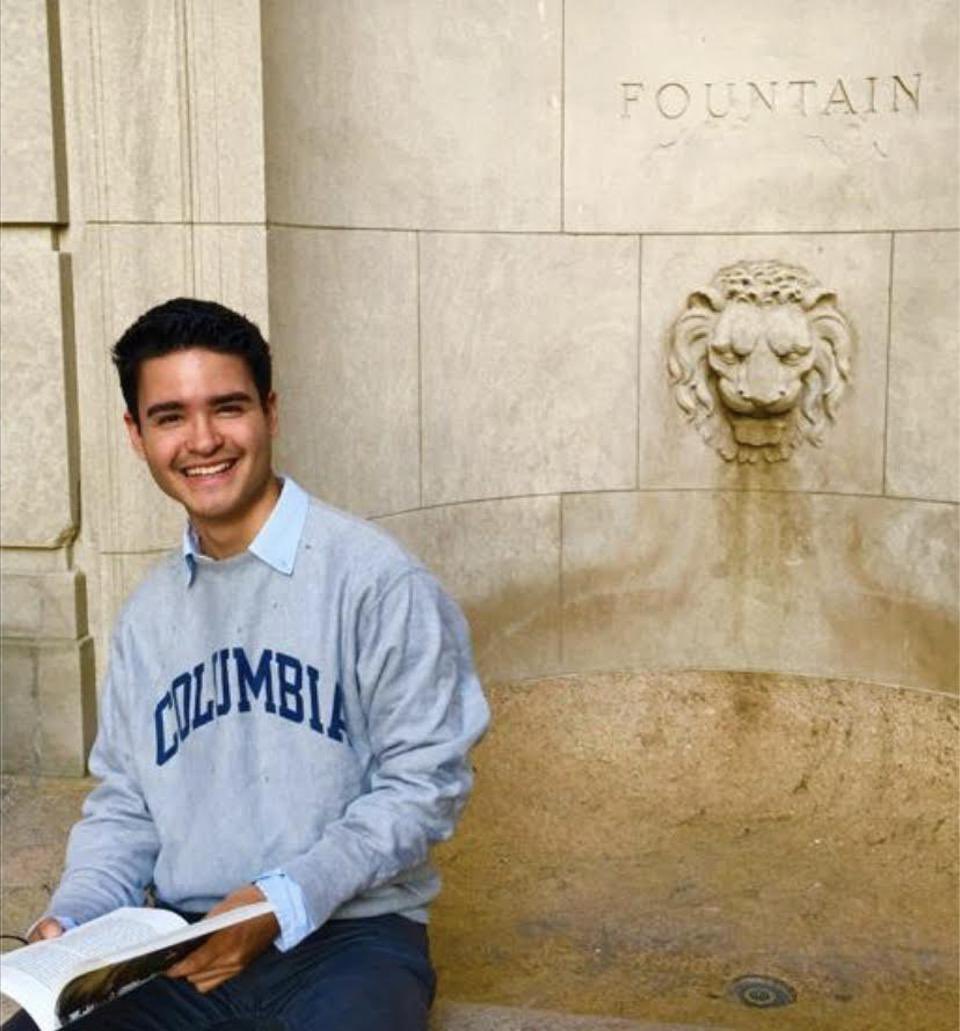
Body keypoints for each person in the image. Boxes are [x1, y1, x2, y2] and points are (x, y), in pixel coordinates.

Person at [5, 297, 490, 1031]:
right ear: (136, 435)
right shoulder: (147, 616)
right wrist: (75, 918)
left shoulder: (377, 582)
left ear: (269, 410)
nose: (202, 440)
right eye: (170, 416)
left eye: (226, 407)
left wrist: (282, 899)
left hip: (350, 940)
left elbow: (426, 783)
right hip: (179, 947)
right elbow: (126, 804)